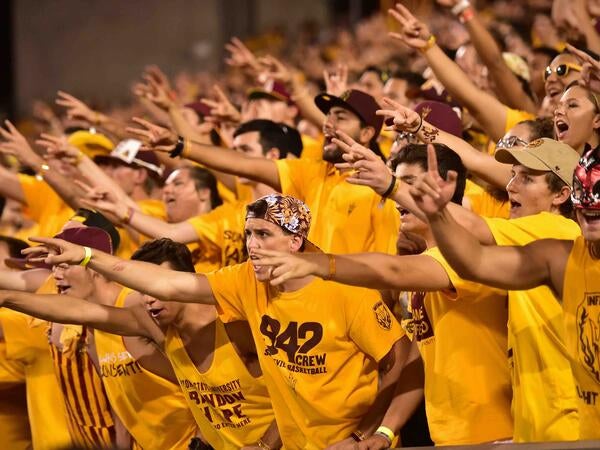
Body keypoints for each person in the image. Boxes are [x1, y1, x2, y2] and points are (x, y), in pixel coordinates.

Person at [24, 193, 407, 449]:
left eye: (263, 235)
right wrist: (88, 257)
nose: (251, 245)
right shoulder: (243, 282)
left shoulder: (345, 290)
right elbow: (158, 283)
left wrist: (370, 434)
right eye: (248, 235)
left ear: (294, 241)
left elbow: (406, 362)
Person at [252, 149, 514, 446]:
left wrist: (317, 263)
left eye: (408, 183)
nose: (397, 196)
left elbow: (390, 271)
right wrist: (384, 431)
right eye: (396, 183)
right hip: (449, 434)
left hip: (495, 431)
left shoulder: (462, 258)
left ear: (445, 189)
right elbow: (419, 360)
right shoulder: (425, 266)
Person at [1, 237, 280, 449]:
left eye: (154, 288)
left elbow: (294, 389)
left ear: (180, 283)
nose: (148, 298)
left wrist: (264, 445)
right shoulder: (155, 325)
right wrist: (6, 298)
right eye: (141, 290)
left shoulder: (234, 328)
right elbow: (77, 311)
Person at [405, 143, 600, 439]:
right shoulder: (534, 242)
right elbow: (476, 260)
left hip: (567, 427)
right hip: (536, 424)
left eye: (526, 178)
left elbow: (473, 234)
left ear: (562, 195)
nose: (511, 186)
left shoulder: (554, 228)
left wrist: (393, 186)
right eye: (512, 175)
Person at [127, 89, 400, 255]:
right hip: (314, 308)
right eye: (328, 116)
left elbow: (388, 267)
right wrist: (179, 146)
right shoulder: (312, 172)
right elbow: (241, 164)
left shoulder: (383, 187)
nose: (328, 124)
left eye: (340, 117)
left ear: (366, 133)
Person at [82, 119, 296, 272]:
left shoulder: (301, 200)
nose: (236, 159)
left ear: (273, 155)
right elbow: (171, 232)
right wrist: (124, 212)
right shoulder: (234, 212)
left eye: (245, 150)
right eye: (233, 150)